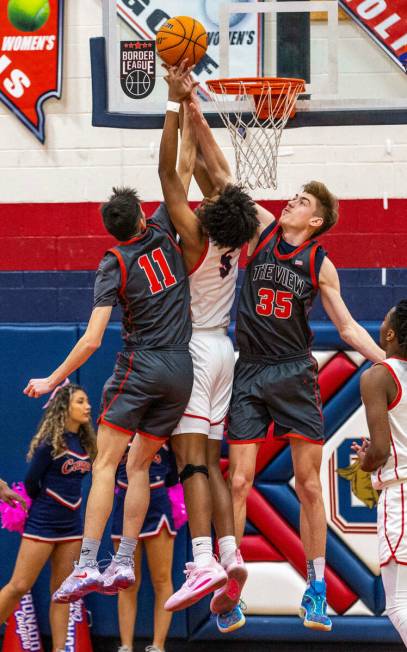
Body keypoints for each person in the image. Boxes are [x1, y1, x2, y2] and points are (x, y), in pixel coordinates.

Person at [188, 99, 386, 631]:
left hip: (296, 372)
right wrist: (196, 117)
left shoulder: (320, 263)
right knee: (239, 481)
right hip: (250, 369)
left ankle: (316, 589)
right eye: (293, 197)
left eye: (300, 201)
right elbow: (227, 180)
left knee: (309, 484)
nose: (291, 201)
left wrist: (387, 359)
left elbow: (345, 327)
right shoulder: (264, 231)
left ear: (315, 220)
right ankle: (235, 584)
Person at [24, 167, 195, 600]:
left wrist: (52, 380)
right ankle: (123, 560)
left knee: (105, 466)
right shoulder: (162, 225)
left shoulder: (113, 262)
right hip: (181, 371)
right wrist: (184, 111)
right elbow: (182, 170)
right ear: (141, 214)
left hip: (142, 366)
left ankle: (87, 564)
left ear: (111, 230)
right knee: (139, 466)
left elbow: (92, 339)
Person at [158, 64, 258, 628]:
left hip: (195, 349)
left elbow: (171, 177)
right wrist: (196, 109)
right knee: (214, 464)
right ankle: (229, 553)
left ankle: (200, 560)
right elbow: (214, 174)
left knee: (190, 461)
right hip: (226, 351)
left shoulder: (194, 236)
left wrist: (173, 108)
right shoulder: (236, 236)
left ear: (206, 211)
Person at [0, 383, 95, 652]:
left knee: (63, 594)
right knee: (18, 586)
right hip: (42, 522)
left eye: (87, 401)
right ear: (64, 407)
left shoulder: (87, 443)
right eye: (80, 401)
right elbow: (32, 483)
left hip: (72, 526)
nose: (87, 406)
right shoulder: (50, 444)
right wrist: (43, 506)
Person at [352, 300, 407, 647]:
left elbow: (383, 450)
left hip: (401, 494)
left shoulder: (377, 376)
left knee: (398, 605)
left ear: (389, 333)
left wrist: (366, 461)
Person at [112, 443, 177, 652]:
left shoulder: (166, 430)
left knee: (161, 579)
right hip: (124, 506)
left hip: (157, 506)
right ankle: (126, 646)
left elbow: (173, 476)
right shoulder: (118, 430)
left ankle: (158, 646)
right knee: (126, 581)